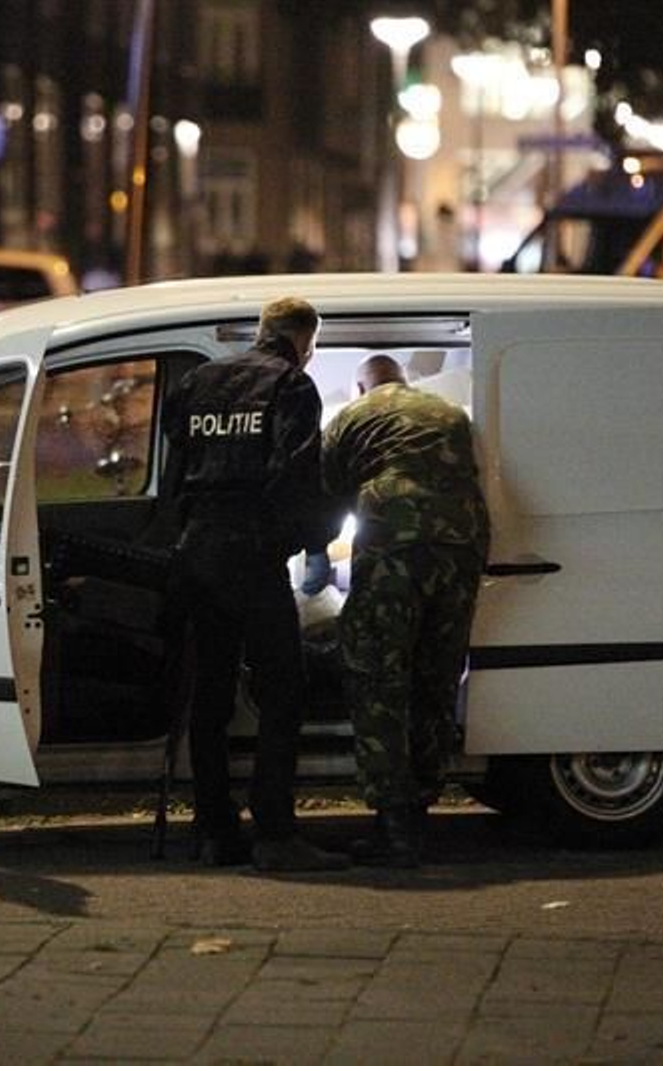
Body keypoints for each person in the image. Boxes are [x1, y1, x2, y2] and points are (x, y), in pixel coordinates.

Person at [161, 296, 348, 872]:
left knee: (211, 695)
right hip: (251, 556)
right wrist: (313, 542)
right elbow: (296, 478)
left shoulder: (198, 382)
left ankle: (214, 830)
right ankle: (275, 833)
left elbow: (175, 473)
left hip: (197, 552)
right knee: (283, 690)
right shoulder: (290, 385)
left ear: (262, 330)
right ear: (306, 341)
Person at [321, 354, 489, 866]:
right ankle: (421, 807)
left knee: (378, 678)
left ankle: (395, 828)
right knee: (436, 677)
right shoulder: (448, 412)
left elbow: (327, 493)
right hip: (462, 545)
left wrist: (316, 560)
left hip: (396, 546)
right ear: (404, 380)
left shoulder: (352, 416)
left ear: (360, 387)